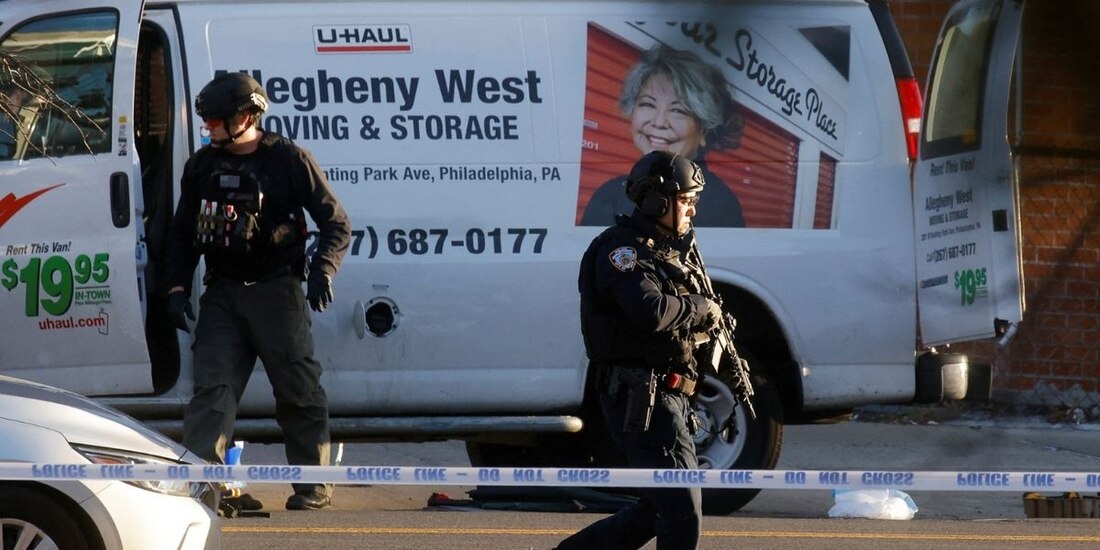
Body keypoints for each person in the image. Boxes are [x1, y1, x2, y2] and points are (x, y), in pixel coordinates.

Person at [164, 72, 351, 511]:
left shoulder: (288, 159)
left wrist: (323, 270)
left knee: (298, 390)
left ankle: (313, 484)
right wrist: (175, 287)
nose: (208, 128)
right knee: (212, 392)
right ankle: (204, 488)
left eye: (215, 121)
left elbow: (336, 224)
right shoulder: (202, 166)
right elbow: (180, 233)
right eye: (206, 121)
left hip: (277, 293)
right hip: (223, 294)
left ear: (246, 116)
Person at [560, 150, 723, 550]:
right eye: (686, 201)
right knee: (682, 509)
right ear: (657, 200)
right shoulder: (622, 251)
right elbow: (650, 311)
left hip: (671, 395)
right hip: (642, 397)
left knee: (657, 508)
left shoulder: (665, 251)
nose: (691, 211)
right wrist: (702, 308)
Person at [580, 45, 745, 228]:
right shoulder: (608, 195)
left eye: (678, 110)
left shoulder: (719, 206)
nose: (659, 122)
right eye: (648, 105)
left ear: (704, 130)